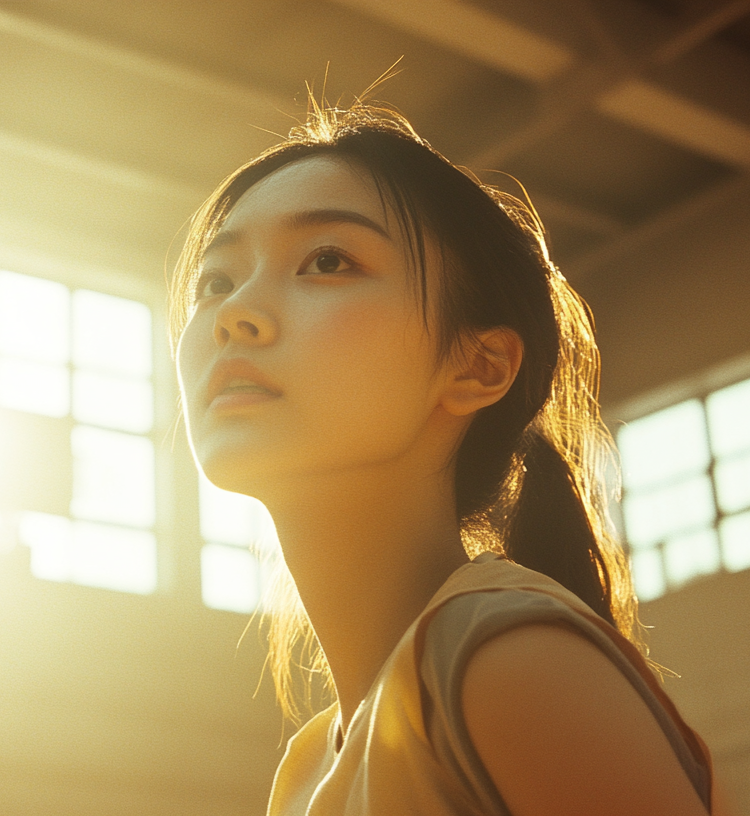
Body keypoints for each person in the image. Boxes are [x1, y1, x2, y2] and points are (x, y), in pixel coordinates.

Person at [170, 101, 718, 815]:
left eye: (327, 261)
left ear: (479, 365)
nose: (233, 313)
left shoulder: (509, 662)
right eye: (215, 280)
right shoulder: (307, 768)